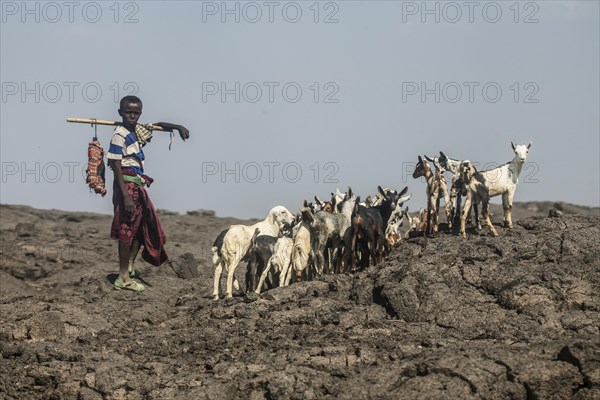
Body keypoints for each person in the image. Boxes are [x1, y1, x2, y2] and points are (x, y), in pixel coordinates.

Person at [107, 95, 190, 292]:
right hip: (126, 184)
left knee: (141, 226)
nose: (132, 116)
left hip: (137, 183)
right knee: (126, 229)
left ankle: (129, 267)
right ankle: (123, 278)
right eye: (128, 112)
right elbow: (115, 164)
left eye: (136, 112)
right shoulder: (119, 134)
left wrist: (178, 127)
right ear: (120, 113)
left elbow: (158, 125)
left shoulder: (138, 131)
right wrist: (125, 195)